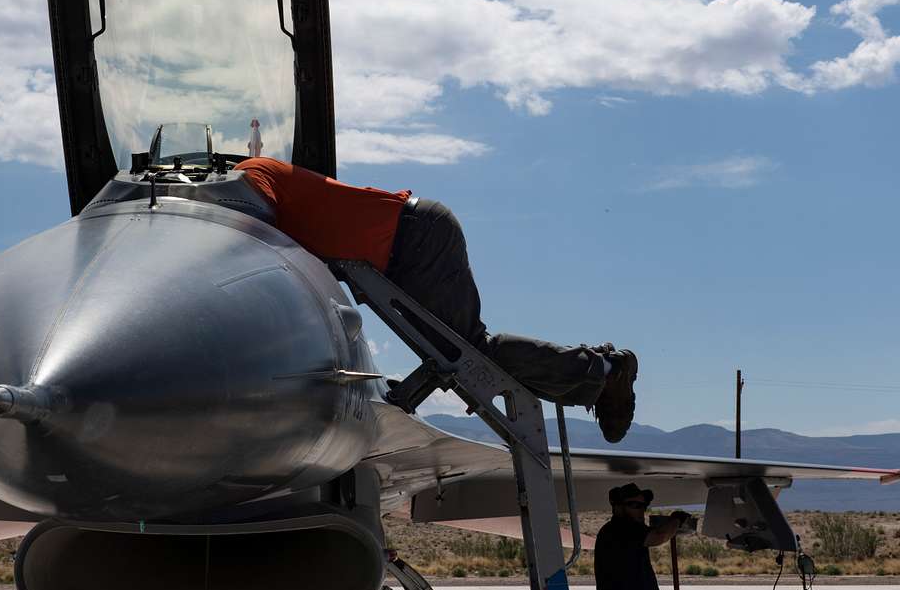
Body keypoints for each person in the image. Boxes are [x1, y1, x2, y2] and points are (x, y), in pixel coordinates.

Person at [234, 156, 639, 442]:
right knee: (462, 356)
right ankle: (596, 380)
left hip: (415, 238)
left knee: (466, 353)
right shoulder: (260, 182)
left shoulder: (250, 174)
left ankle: (604, 371)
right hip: (406, 244)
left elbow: (250, 223)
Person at [593, 483, 692, 590]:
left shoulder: (616, 530)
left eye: (643, 506)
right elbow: (660, 536)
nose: (641, 511)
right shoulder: (621, 528)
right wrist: (677, 520)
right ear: (618, 507)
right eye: (634, 505)